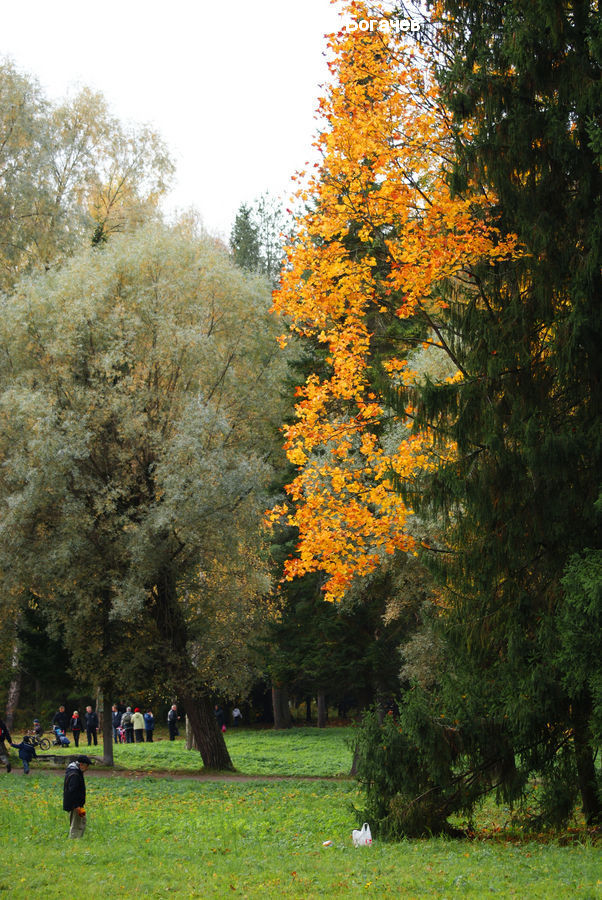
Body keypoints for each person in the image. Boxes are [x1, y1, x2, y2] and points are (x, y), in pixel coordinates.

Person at [63, 755, 91, 838]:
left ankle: (76, 840)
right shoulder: (75, 775)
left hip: (75, 804)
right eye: (87, 766)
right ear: (81, 765)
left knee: (80, 821)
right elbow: (72, 791)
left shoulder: (74, 771)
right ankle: (74, 841)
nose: (87, 769)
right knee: (77, 825)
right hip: (75, 805)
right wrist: (76, 806)